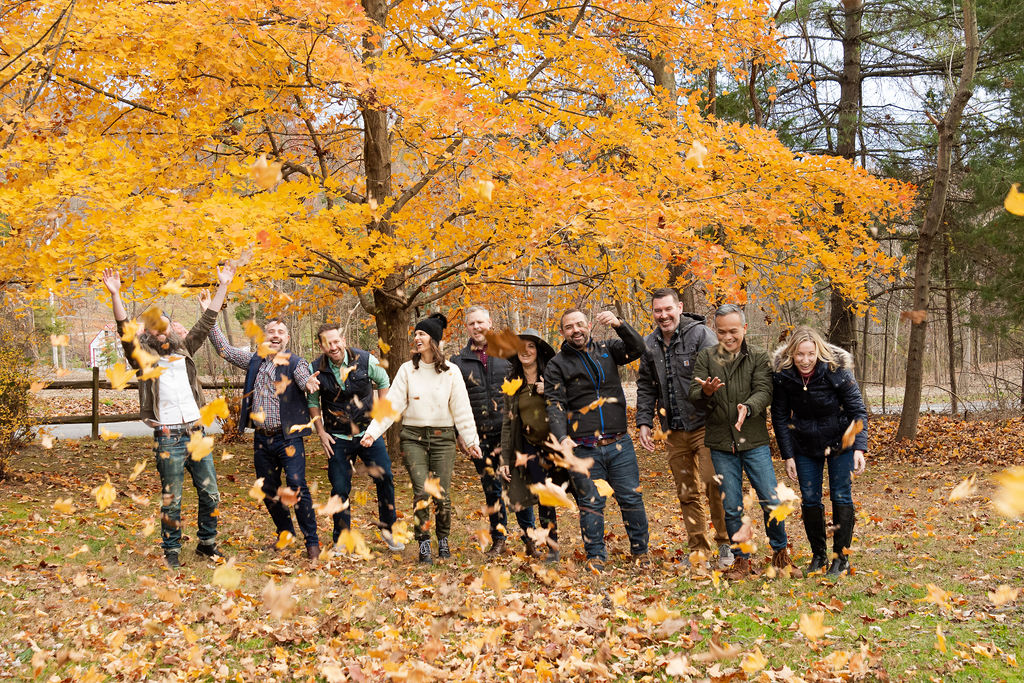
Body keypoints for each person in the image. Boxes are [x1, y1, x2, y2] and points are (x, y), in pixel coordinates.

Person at [101, 264, 237, 569]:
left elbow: (208, 320)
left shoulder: (185, 348)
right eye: (156, 327)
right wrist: (116, 294)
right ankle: (171, 551)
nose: (164, 329)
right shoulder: (145, 358)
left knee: (211, 494)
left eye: (166, 324)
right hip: (168, 435)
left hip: (196, 432)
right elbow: (125, 333)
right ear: (148, 335)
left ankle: (207, 544)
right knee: (172, 500)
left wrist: (223, 287)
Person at [689, 304, 800, 580]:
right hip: (720, 444)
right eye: (722, 331)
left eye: (734, 331)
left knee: (771, 500)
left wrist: (747, 408)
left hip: (754, 441)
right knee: (731, 505)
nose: (728, 337)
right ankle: (741, 559)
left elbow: (764, 391)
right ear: (716, 331)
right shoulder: (706, 357)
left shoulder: (759, 357)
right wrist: (705, 391)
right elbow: (693, 394)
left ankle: (780, 554)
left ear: (744, 329)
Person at [360, 313, 482, 565]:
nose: (416, 338)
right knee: (421, 492)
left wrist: (471, 441)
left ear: (434, 340)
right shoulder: (408, 370)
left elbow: (462, 408)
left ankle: (443, 537)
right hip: (413, 438)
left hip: (443, 439)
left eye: (421, 334)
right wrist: (372, 432)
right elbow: (391, 405)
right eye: (415, 334)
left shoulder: (451, 372)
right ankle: (424, 541)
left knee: (441, 494)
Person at [207, 314, 320, 560]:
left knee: (296, 485)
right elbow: (224, 350)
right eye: (271, 331)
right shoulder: (254, 361)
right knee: (268, 489)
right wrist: (211, 316)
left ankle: (312, 542)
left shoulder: (296, 363)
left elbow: (303, 379)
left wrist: (309, 383)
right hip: (262, 439)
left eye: (281, 332)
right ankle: (285, 535)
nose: (276, 335)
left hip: (288, 438)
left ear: (287, 338)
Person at [544, 308, 649, 571]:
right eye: (569, 327)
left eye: (580, 324)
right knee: (591, 504)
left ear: (589, 325)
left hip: (619, 444)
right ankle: (596, 557)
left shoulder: (609, 349)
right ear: (562, 332)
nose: (575, 330)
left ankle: (641, 552)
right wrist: (561, 437)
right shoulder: (557, 364)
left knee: (631, 498)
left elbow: (638, 348)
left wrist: (619, 324)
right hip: (584, 448)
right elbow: (554, 403)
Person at [636, 288, 732, 569]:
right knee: (687, 492)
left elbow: (720, 373)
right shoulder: (650, 343)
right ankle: (698, 550)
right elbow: (645, 385)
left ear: (679, 307)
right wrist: (644, 422)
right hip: (673, 430)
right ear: (652, 312)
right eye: (657, 311)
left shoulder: (701, 335)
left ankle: (725, 543)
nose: (663, 315)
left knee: (714, 484)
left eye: (667, 309)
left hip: (705, 426)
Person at [771, 327, 868, 576]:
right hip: (804, 444)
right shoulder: (784, 377)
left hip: (839, 442)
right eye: (799, 355)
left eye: (810, 354)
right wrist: (788, 455)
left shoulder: (836, 371)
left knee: (840, 496)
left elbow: (858, 410)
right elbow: (780, 417)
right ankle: (819, 555)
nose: (805, 360)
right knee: (811, 499)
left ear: (818, 352)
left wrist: (859, 448)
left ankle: (840, 558)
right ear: (792, 354)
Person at [305, 323, 404, 554]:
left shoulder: (366, 359)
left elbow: (384, 382)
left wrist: (378, 423)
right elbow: (313, 402)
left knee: (385, 477)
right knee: (339, 487)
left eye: (336, 340)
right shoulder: (316, 368)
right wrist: (321, 432)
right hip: (337, 437)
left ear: (343, 339)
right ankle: (342, 538)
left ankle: (388, 530)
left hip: (368, 433)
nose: (333, 346)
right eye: (328, 343)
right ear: (321, 345)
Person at [450, 306, 535, 556]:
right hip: (480, 436)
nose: (476, 328)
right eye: (471, 324)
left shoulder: (509, 352)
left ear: (490, 322)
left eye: (480, 322)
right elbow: (453, 401)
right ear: (466, 327)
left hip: (509, 432)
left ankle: (529, 538)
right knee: (492, 489)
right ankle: (499, 537)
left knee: (518, 486)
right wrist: (460, 434)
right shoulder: (458, 361)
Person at [497, 329, 564, 562]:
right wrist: (505, 459)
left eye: (531, 347)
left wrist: (550, 392)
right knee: (543, 495)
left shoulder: (552, 376)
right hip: (531, 447)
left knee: (576, 491)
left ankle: (594, 546)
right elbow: (507, 423)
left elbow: (569, 405)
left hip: (558, 446)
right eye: (521, 347)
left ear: (539, 352)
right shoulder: (512, 383)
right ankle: (552, 548)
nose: (526, 351)